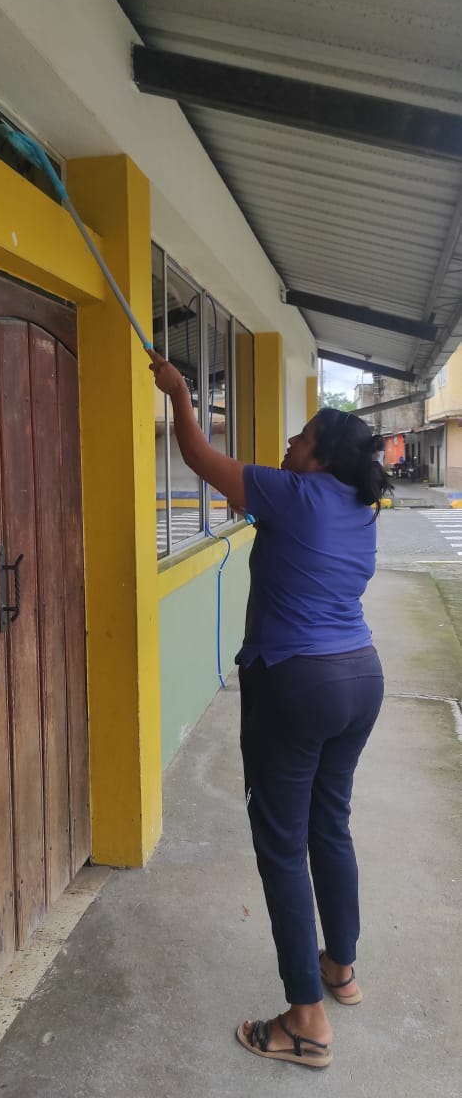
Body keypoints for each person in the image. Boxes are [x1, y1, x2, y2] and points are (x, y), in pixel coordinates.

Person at [149, 349, 391, 1071]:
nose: (288, 441)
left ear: (319, 457)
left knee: (282, 846)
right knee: (329, 824)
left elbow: (198, 457)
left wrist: (180, 394)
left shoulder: (293, 492)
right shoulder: (357, 506)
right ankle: (340, 969)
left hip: (297, 684)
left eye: (301, 437)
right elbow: (284, 535)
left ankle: (306, 1022)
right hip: (360, 677)